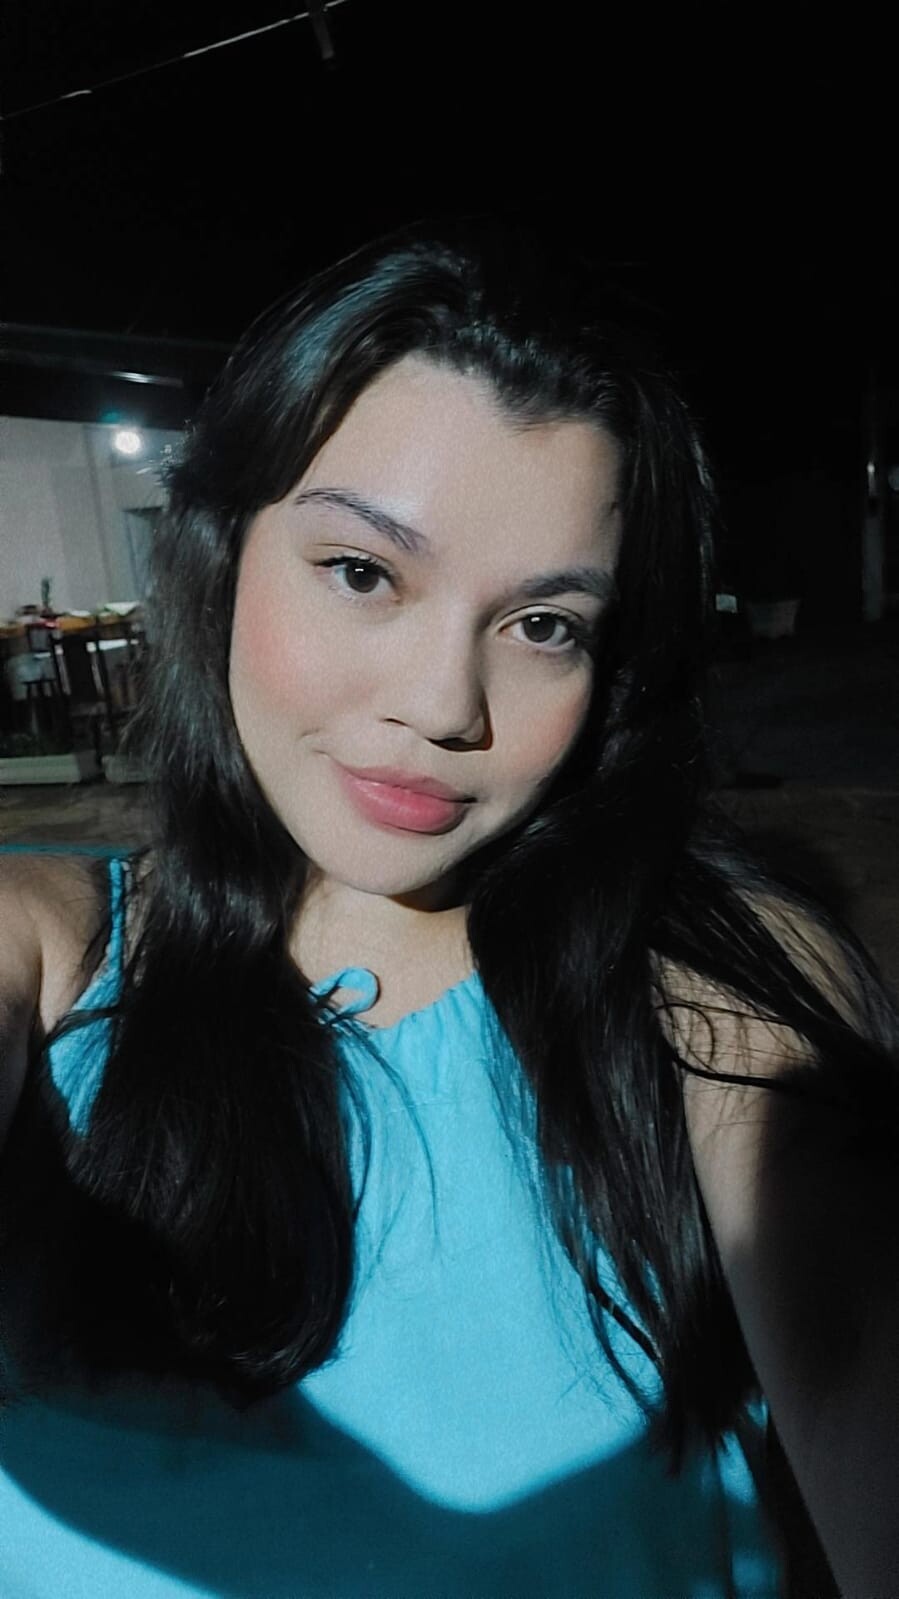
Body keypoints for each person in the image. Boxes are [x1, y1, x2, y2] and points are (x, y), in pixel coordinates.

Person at [0, 223, 896, 1599]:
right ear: (222, 555)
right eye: (364, 573)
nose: (441, 706)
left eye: (544, 625)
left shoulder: (703, 990)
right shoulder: (54, 951)